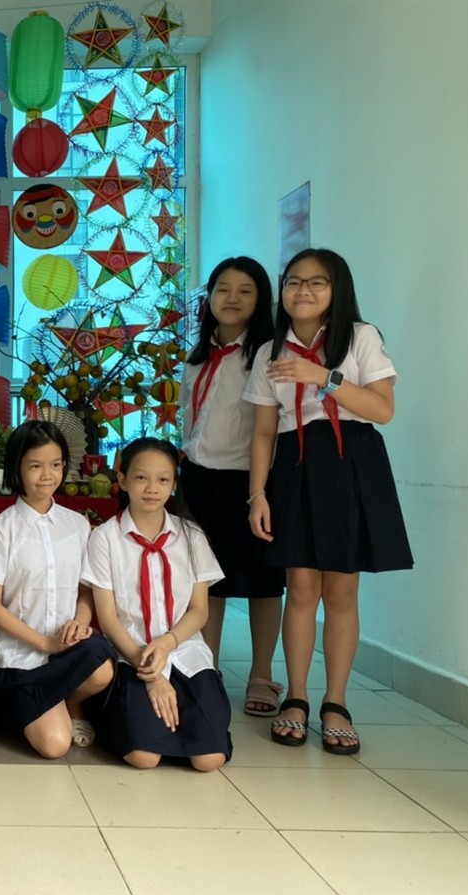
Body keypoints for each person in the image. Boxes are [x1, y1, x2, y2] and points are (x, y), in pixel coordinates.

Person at [245, 248, 412, 754]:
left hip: (351, 463)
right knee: (299, 587)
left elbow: (382, 409)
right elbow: (263, 432)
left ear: (337, 288)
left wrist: (323, 377)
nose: (303, 291)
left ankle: (336, 702)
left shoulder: (361, 337)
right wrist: (257, 494)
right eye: (293, 282)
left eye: (316, 282)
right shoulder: (270, 350)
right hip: (295, 466)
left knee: (341, 590)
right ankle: (296, 697)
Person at [85, 437, 232, 771]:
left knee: (209, 760)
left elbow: (200, 610)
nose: (152, 488)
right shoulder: (104, 538)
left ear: (173, 484)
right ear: (122, 480)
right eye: (141, 478)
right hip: (131, 653)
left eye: (163, 479)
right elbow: (107, 618)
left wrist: (167, 644)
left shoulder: (191, 536)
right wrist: (151, 674)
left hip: (184, 652)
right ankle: (108, 714)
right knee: (144, 757)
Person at [180, 256, 285, 716]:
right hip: (199, 476)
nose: (232, 298)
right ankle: (207, 668)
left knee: (264, 580)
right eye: (223, 289)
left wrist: (262, 488)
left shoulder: (268, 355)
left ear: (261, 299)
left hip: (251, 479)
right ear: (210, 296)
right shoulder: (197, 357)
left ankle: (261, 674)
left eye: (245, 290)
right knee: (207, 580)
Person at [0, 421, 115, 759]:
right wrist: (45, 643)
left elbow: (86, 590)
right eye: (36, 466)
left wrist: (80, 622)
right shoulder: (2, 530)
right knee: (54, 746)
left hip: (68, 650)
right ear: (17, 468)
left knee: (103, 667)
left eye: (55, 465)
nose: (47, 475)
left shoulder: (77, 525)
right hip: (22, 657)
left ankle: (72, 704)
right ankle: (19, 702)